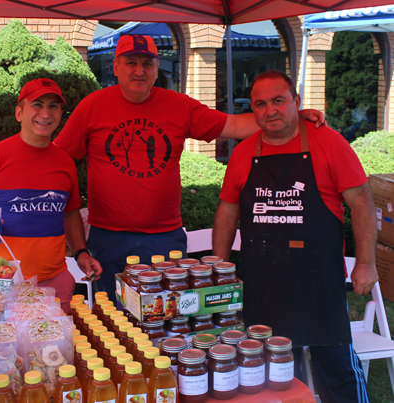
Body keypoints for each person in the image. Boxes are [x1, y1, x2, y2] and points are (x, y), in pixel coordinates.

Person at [54, 34, 325, 302]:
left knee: (168, 316)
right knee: (112, 318)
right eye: (131, 62)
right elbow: (58, 161)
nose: (139, 71)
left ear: (157, 68)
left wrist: (289, 114)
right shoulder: (92, 106)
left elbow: (234, 126)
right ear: (116, 67)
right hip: (108, 236)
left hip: (164, 237)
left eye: (147, 64)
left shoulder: (177, 105)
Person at [212, 70, 377, 403]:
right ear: (252, 110)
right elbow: (227, 212)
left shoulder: (328, 142)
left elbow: (362, 202)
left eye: (278, 101)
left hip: (319, 280)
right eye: (260, 104)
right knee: (276, 375)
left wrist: (366, 264)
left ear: (296, 103)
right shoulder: (244, 153)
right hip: (263, 282)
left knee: (338, 370)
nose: (270, 110)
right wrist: (220, 268)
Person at [0, 78, 102, 313]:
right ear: (19, 113)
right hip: (3, 286)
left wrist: (81, 253)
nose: (45, 113)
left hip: (54, 284)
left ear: (60, 114)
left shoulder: (64, 162)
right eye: (37, 104)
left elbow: (70, 213)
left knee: (57, 349)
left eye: (53, 106)